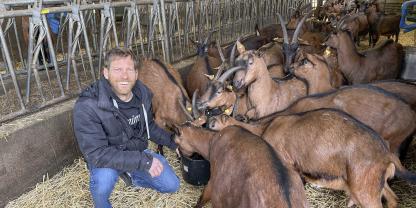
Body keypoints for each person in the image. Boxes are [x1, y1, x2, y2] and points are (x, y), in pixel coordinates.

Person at [73, 47, 180, 208]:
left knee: (172, 185)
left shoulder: (142, 93)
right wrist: (144, 162)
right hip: (106, 159)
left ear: (136, 73)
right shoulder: (88, 106)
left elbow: (148, 127)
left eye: (130, 69)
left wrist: (175, 142)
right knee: (103, 183)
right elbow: (97, 154)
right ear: (106, 73)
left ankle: (130, 175)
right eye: (117, 69)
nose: (124, 75)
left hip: (134, 152)